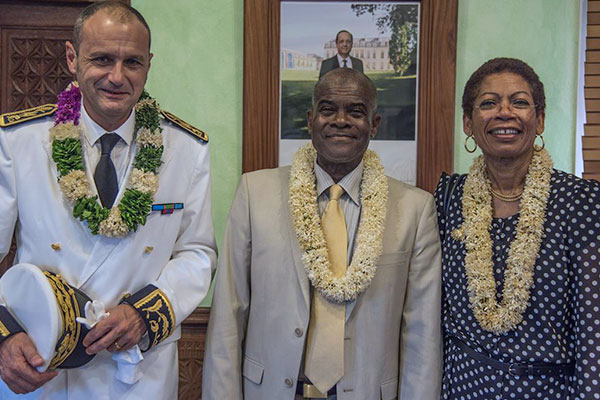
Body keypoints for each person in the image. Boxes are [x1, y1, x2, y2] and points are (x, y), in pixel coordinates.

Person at [0, 1, 216, 398]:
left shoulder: (187, 149)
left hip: (137, 372)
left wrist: (145, 313)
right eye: (101, 59)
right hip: (42, 367)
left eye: (132, 62)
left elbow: (197, 253)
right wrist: (3, 338)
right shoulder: (19, 143)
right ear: (72, 58)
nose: (116, 77)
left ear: (148, 64)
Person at [203, 68, 441, 400]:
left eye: (356, 111)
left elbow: (422, 334)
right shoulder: (255, 193)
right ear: (311, 119)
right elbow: (230, 310)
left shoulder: (415, 209)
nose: (340, 120)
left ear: (374, 124)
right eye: (328, 109)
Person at [435, 57, 600, 399]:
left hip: (549, 391)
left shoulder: (581, 202)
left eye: (520, 102)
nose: (504, 112)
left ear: (539, 120)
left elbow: (593, 330)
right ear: (468, 122)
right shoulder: (448, 198)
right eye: (488, 103)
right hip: (462, 387)